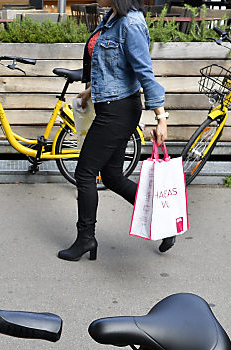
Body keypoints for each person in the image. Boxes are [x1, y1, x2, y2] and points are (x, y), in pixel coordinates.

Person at [58, 0, 171, 262]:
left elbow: (145, 73)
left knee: (84, 173)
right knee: (111, 177)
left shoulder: (130, 24)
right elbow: (114, 67)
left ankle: (86, 238)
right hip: (110, 105)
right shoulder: (112, 16)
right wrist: (90, 91)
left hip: (118, 112)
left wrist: (160, 118)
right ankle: (163, 223)